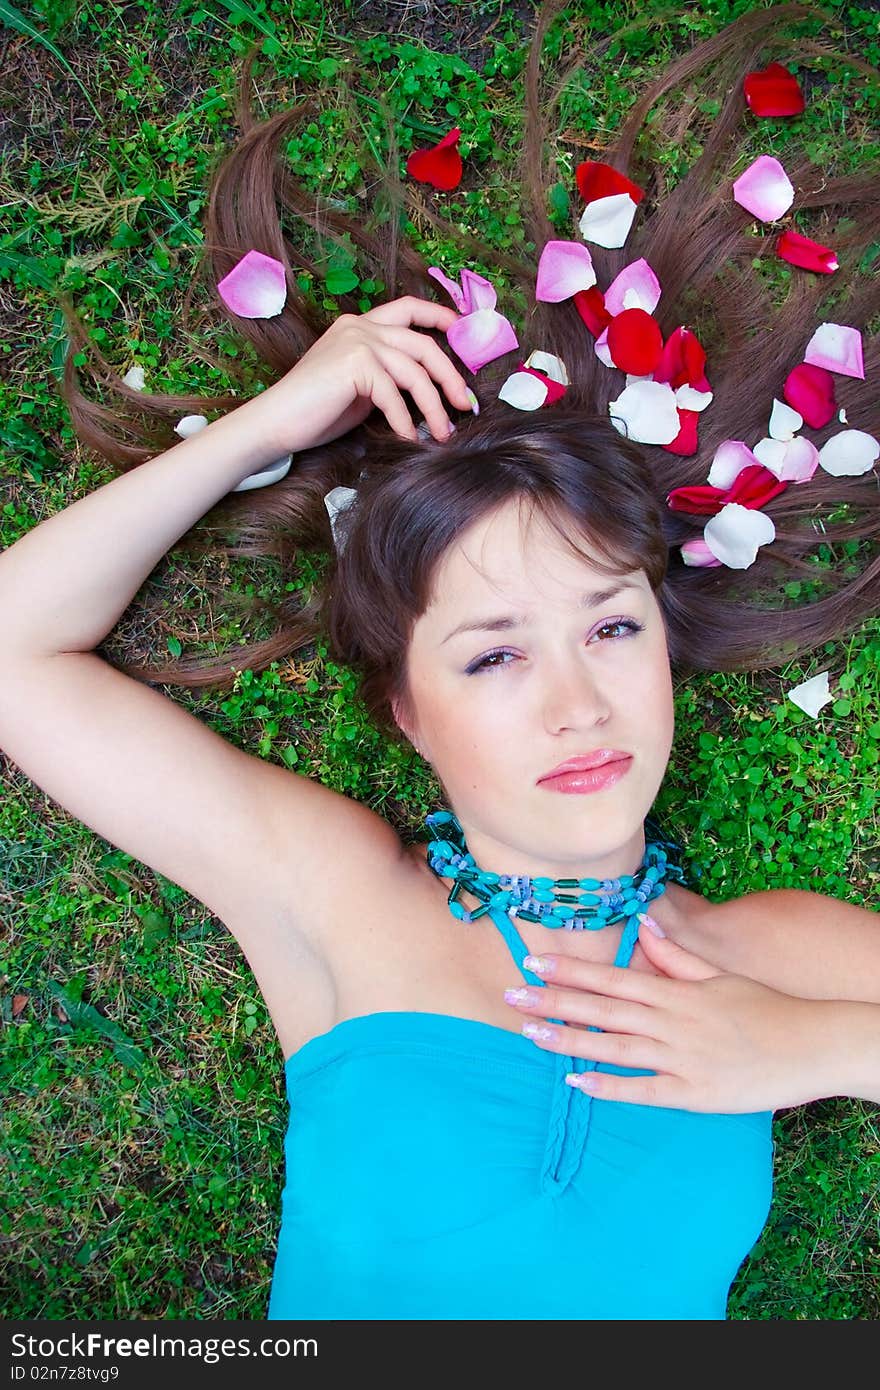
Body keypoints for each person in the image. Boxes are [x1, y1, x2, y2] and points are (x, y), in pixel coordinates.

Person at [1, 0, 878, 1321]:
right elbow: (18, 651)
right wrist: (270, 424)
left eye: (611, 625)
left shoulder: (772, 951)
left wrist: (819, 1041)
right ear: (407, 713)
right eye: (491, 658)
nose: (579, 701)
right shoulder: (339, 896)